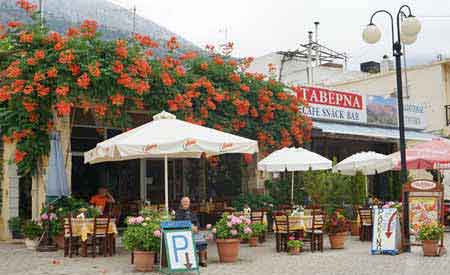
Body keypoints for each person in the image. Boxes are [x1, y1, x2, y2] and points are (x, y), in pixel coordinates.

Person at [175, 197, 207, 267]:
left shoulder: (192, 212)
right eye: (184, 201)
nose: (186, 203)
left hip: (194, 231)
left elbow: (197, 222)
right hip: (183, 232)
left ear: (189, 203)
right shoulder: (178, 212)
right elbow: (178, 222)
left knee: (202, 239)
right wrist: (190, 226)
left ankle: (202, 260)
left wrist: (196, 227)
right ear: (181, 203)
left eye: (187, 201)